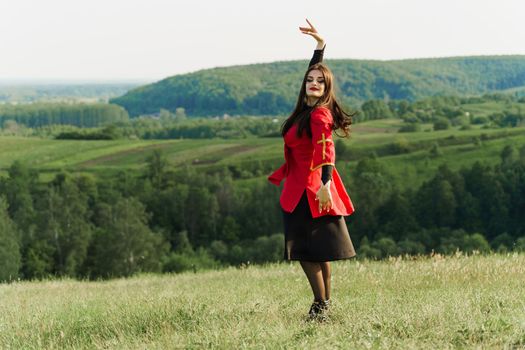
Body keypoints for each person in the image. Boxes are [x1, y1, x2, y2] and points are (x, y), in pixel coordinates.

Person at [268, 19, 356, 321]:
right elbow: (313, 72)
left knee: (305, 251)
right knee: (317, 250)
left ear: (327, 88)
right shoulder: (306, 110)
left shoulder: (318, 115)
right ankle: (324, 305)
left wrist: (325, 184)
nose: (314, 83)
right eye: (311, 80)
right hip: (301, 185)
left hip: (309, 188)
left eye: (320, 81)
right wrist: (320, 47)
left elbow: (326, 149)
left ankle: (319, 306)